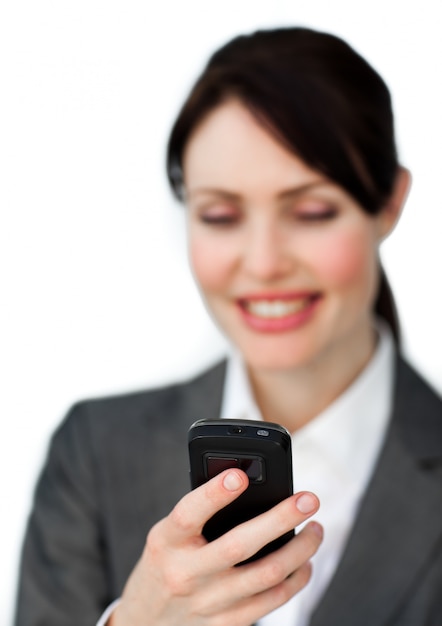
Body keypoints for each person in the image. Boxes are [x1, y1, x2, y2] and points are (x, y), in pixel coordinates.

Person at [14, 26, 442, 626]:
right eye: (220, 215)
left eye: (312, 211)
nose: (264, 263)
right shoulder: (95, 455)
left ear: (391, 201)